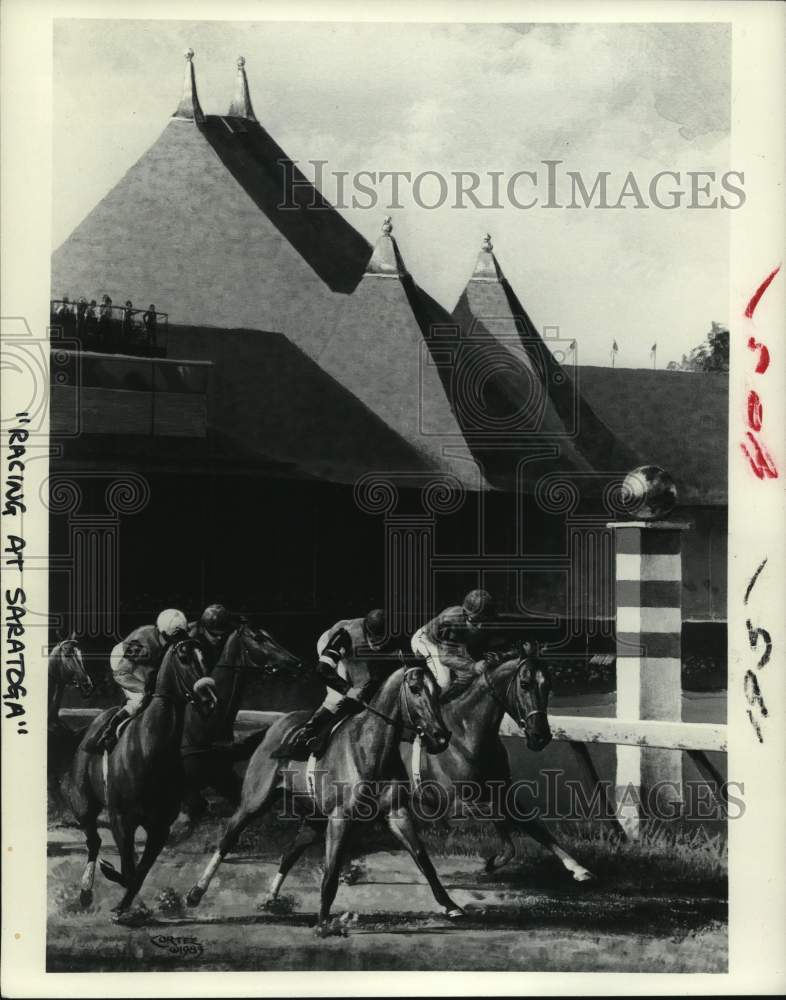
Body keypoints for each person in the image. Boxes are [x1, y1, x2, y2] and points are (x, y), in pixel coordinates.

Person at [276, 608, 403, 760]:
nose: (379, 645)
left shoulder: (393, 637)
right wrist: (348, 690)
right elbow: (322, 670)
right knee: (338, 697)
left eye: (383, 639)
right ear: (367, 631)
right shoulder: (345, 635)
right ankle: (306, 735)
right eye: (375, 639)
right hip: (333, 646)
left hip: (358, 652)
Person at [83, 608, 189, 753]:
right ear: (161, 632)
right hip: (124, 663)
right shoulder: (141, 643)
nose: (173, 644)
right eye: (170, 640)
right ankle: (105, 733)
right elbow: (121, 673)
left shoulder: (173, 634)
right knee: (142, 699)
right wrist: (145, 689)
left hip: (148, 662)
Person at [411, 588, 511, 691]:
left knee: (470, 675)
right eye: (476, 621)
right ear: (465, 613)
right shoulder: (451, 621)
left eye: (485, 621)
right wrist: (473, 666)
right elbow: (445, 657)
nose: (480, 626)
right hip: (426, 641)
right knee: (444, 682)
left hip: (454, 643)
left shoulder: (487, 620)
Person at [189, 603, 235, 670]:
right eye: (214, 635)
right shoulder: (191, 640)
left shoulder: (230, 632)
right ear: (203, 629)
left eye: (222, 634)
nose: (219, 638)